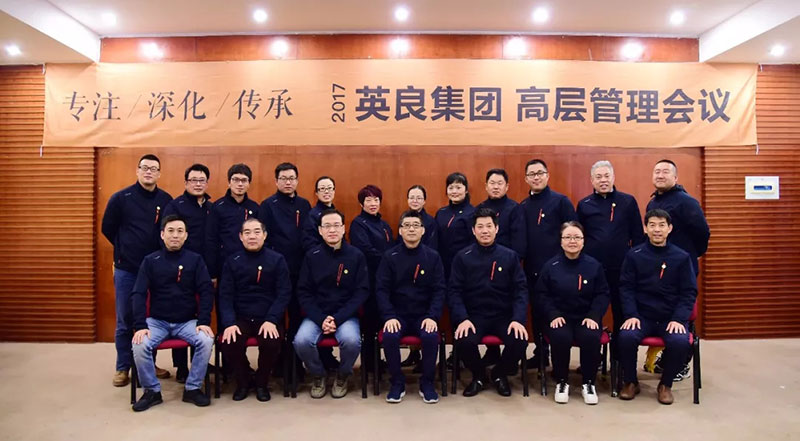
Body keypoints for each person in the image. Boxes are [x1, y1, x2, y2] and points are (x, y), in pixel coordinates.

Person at [101, 154, 173, 387]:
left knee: (152, 320)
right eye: (145, 167)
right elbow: (108, 228)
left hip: (155, 270)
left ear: (159, 173)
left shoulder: (165, 199)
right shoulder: (121, 198)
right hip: (127, 269)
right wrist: (124, 249)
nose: (149, 171)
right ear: (137, 170)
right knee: (125, 319)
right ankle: (122, 367)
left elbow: (168, 230)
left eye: (154, 168)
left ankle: (148, 364)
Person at [130, 215, 214, 411]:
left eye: (179, 231)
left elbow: (206, 291)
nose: (175, 235)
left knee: (206, 340)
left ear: (186, 236)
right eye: (170, 231)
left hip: (187, 322)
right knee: (139, 344)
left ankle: (192, 388)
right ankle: (152, 391)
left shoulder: (195, 260)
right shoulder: (150, 261)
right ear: (162, 234)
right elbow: (138, 293)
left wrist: (203, 321)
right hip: (157, 322)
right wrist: (140, 325)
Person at [618, 209, 697, 405]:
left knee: (680, 341)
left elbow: (688, 292)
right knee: (626, 337)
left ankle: (665, 384)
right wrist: (631, 314)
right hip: (642, 316)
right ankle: (631, 381)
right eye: (652, 225)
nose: (657, 230)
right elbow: (626, 288)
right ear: (645, 229)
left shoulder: (681, 257)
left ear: (670, 228)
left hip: (670, 318)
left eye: (662, 225)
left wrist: (679, 319)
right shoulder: (634, 255)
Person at [449, 208, 529, 397]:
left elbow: (521, 290)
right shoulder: (463, 257)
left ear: (496, 229)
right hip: (474, 316)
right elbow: (454, 291)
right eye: (480, 227)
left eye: (489, 226)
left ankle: (499, 373)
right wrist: (462, 318)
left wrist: (517, 319)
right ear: (473, 230)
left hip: (503, 315)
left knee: (519, 340)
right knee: (464, 340)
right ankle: (478, 376)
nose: (485, 231)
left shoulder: (509, 256)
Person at [294, 209, 370, 399]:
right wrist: (321, 319)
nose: (332, 230)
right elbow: (304, 292)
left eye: (336, 225)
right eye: (327, 226)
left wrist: (338, 318)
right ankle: (318, 375)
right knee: (301, 341)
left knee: (352, 341)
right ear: (320, 231)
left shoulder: (356, 255)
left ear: (343, 229)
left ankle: (343, 375)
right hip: (317, 315)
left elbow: (361, 292)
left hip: (345, 315)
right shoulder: (312, 256)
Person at [645, 159, 710, 381]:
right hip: (659, 269)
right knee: (664, 316)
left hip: (682, 269)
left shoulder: (686, 202)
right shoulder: (654, 202)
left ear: (675, 177)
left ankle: (681, 364)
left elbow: (702, 232)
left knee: (682, 318)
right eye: (657, 171)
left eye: (665, 171)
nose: (660, 175)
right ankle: (665, 360)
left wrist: (693, 254)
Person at [536, 221, 609, 405]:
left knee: (591, 336)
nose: (572, 241)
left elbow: (602, 294)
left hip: (586, 317)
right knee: (560, 336)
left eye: (577, 237)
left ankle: (588, 382)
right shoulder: (551, 266)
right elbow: (542, 294)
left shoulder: (594, 265)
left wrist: (594, 316)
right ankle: (561, 381)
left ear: (583, 241)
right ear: (561, 241)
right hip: (560, 317)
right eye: (567, 237)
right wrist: (553, 314)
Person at [576, 160, 644, 358]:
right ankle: (593, 358)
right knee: (591, 312)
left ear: (613, 177)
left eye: (607, 176)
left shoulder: (628, 201)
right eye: (598, 177)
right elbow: (578, 236)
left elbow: (638, 236)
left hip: (621, 268)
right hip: (592, 269)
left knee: (621, 312)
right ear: (592, 180)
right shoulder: (584, 205)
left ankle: (619, 360)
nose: (603, 180)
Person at [376, 211, 446, 404]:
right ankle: (397, 382)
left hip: (424, 315)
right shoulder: (390, 257)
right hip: (397, 314)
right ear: (400, 231)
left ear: (423, 230)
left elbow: (439, 290)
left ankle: (427, 382)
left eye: (416, 225)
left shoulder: (433, 257)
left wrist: (432, 316)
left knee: (430, 336)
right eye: (406, 226)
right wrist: (389, 316)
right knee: (390, 335)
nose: (411, 229)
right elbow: (381, 290)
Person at [219, 218, 292, 402]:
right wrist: (229, 323)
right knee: (230, 341)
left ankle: (261, 382)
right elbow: (225, 295)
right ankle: (243, 381)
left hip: (267, 317)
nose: (252, 236)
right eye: (247, 233)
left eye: (257, 232)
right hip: (240, 317)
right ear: (241, 237)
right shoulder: (232, 261)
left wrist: (272, 319)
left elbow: (284, 293)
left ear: (264, 235)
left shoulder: (277, 260)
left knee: (271, 341)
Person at [519, 159, 577, 367]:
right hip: (532, 269)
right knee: (537, 312)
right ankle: (541, 353)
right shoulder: (523, 206)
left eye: (540, 173)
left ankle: (561, 357)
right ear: (526, 179)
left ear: (547, 175)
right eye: (532, 174)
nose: (536, 177)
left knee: (559, 312)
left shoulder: (561, 201)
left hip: (560, 269)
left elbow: (573, 233)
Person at [258, 163, 312, 378]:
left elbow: (308, 235)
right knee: (278, 317)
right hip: (276, 270)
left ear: (297, 180)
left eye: (291, 178)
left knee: (297, 316)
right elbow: (264, 238)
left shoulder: (304, 204)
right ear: (276, 181)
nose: (288, 182)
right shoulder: (267, 205)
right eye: (283, 178)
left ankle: (296, 363)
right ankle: (278, 363)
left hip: (300, 270)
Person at [163, 163, 213, 383]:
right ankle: (182, 367)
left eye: (202, 180)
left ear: (207, 183)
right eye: (193, 180)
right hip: (180, 267)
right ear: (186, 183)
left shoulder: (211, 207)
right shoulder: (175, 205)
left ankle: (200, 362)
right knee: (181, 314)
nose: (198, 184)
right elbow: (167, 236)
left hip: (204, 268)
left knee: (201, 313)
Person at [349, 185, 394, 373]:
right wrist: (390, 260)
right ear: (361, 203)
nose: (373, 203)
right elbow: (365, 250)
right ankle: (369, 363)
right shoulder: (358, 224)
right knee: (369, 323)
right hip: (368, 279)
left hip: (386, 279)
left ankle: (379, 360)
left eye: (376, 200)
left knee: (382, 321)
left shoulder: (384, 225)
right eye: (368, 200)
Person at [204, 163, 260, 284]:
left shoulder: (255, 208)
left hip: (250, 264)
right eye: (235, 180)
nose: (240, 184)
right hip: (224, 265)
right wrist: (212, 272)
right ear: (229, 182)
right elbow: (211, 240)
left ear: (249, 184)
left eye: (244, 180)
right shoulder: (217, 207)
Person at [435, 172, 476, 281]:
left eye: (458, 187)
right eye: (451, 188)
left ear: (466, 190)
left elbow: (473, 242)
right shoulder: (441, 212)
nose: (454, 191)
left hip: (464, 264)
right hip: (442, 264)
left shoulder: (473, 213)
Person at [476, 168, 526, 258]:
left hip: (506, 259)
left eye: (500, 183)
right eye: (492, 183)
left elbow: (519, 242)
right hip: (481, 258)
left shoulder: (515, 208)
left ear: (507, 187)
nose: (496, 187)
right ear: (486, 186)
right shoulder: (479, 208)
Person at [302, 176, 337, 251]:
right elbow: (310, 243)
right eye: (322, 189)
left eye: (329, 188)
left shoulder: (337, 214)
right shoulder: (312, 215)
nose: (326, 191)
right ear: (316, 193)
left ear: (334, 191)